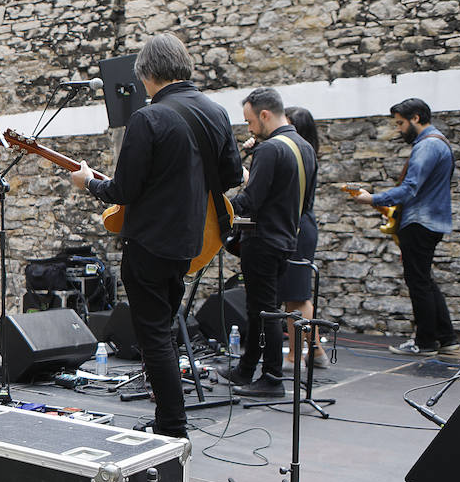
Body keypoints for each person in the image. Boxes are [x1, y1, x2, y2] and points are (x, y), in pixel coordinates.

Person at [68, 33, 243, 438]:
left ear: (146, 74)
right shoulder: (216, 112)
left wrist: (87, 183)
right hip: (189, 244)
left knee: (156, 337)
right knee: (163, 328)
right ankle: (168, 419)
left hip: (148, 243)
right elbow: (232, 176)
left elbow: (123, 191)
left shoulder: (148, 118)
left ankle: (172, 427)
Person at [223, 87, 316, 399]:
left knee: (265, 310)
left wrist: (216, 209)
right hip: (287, 238)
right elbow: (305, 204)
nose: (249, 128)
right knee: (260, 309)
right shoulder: (305, 147)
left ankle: (272, 377)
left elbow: (250, 199)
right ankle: (246, 369)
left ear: (264, 115)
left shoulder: (270, 149)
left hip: (262, 240)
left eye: (250, 121)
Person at [349, 98, 456, 355]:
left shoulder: (427, 146)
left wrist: (373, 198)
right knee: (425, 281)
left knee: (418, 282)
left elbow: (410, 188)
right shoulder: (439, 143)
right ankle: (446, 336)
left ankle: (425, 343)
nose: (398, 129)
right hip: (431, 221)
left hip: (419, 222)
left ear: (416, 118)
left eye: (400, 123)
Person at [276, 107, 327, 369]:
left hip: (296, 227)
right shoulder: (307, 153)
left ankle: (298, 356)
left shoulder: (297, 155)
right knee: (295, 294)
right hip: (302, 226)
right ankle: (314, 352)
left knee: (297, 296)